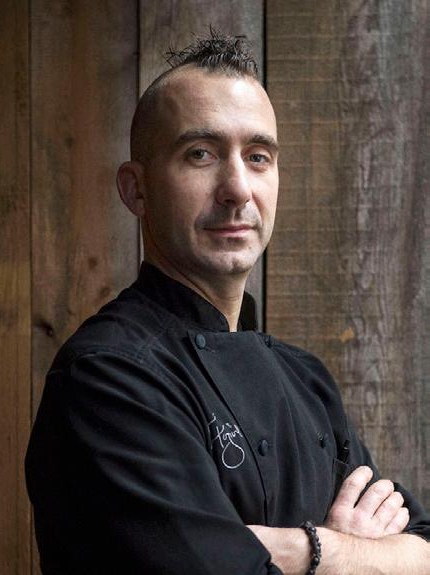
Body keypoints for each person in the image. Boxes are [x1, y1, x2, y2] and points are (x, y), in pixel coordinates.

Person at [25, 30, 430, 574]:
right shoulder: (107, 378)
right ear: (136, 189)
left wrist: (312, 550)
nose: (238, 188)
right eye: (201, 154)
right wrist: (355, 554)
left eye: (258, 156)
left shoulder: (306, 381)